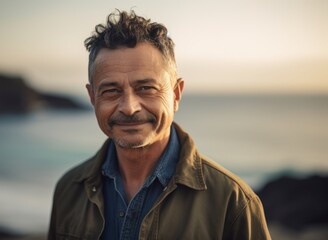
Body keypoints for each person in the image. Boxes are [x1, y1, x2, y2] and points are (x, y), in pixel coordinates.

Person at [48, 10, 271, 240]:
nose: (129, 107)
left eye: (146, 88)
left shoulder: (232, 202)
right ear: (92, 97)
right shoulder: (69, 190)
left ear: (175, 94)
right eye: (111, 91)